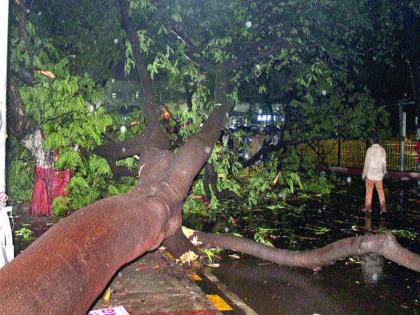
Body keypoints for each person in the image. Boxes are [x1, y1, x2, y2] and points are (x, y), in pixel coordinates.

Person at [362, 136, 387, 214]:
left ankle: (368, 208)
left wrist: (364, 174)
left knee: (369, 191)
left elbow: (367, 164)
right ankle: (383, 209)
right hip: (379, 175)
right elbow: (384, 163)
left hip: (370, 174)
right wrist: (384, 172)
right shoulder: (382, 150)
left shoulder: (370, 150)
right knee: (381, 191)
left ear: (372, 141)